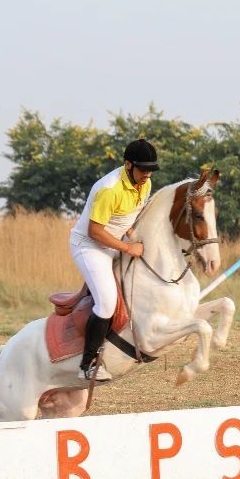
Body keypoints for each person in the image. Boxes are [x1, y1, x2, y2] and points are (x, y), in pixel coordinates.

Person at [69, 138, 158, 381]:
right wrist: (128, 248)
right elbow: (94, 231)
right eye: (143, 169)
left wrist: (132, 236)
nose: (147, 175)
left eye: (151, 170)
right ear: (128, 165)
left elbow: (128, 217)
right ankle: (87, 364)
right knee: (107, 304)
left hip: (114, 243)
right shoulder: (109, 188)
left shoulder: (144, 184)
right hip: (89, 247)